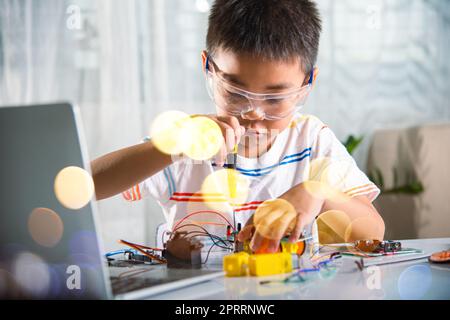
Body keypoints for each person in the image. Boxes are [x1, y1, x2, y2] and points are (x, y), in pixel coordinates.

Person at [91, 0, 385, 254]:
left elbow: (373, 233)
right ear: (208, 67)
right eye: (235, 93)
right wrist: (169, 146)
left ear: (307, 83)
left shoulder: (313, 141)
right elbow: (87, 184)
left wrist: (320, 192)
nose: (254, 114)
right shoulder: (189, 142)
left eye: (275, 98)